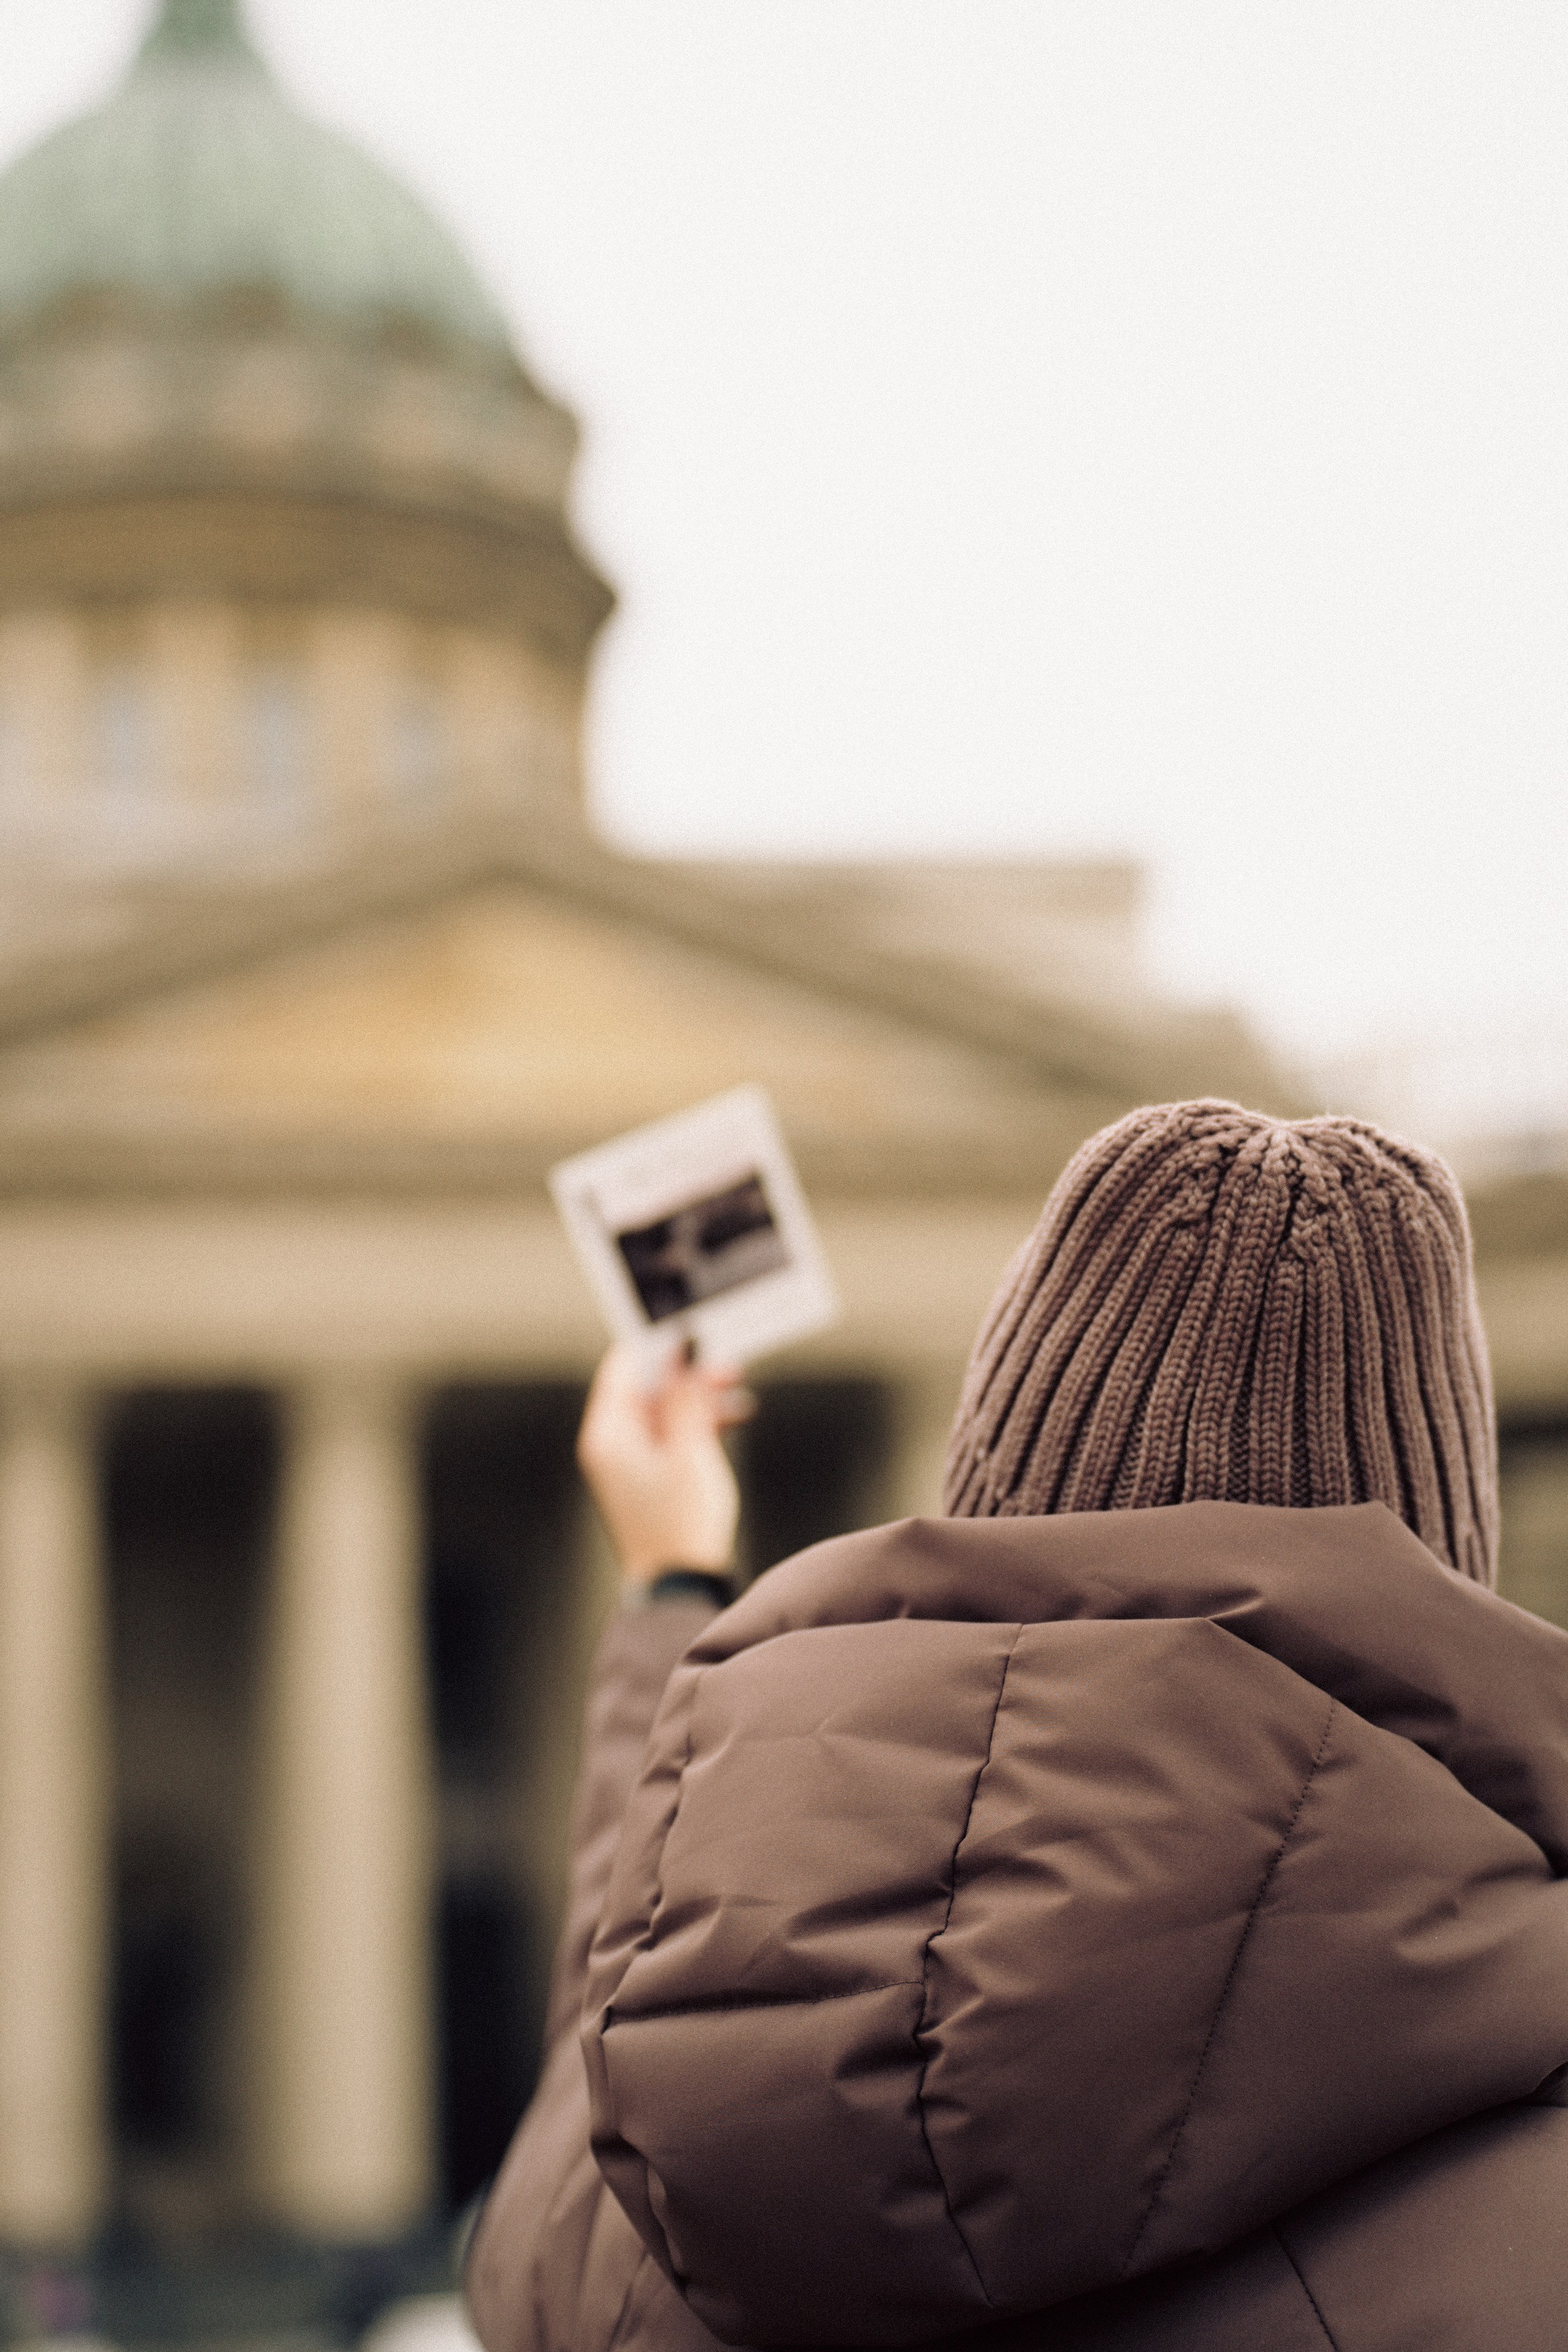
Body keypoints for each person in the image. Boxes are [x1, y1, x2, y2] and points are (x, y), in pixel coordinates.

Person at [466, 1101, 1568, 2352]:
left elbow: (617, 2022)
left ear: (977, 1526)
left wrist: (670, 1584)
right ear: (1438, 1596)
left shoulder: (625, 2209)